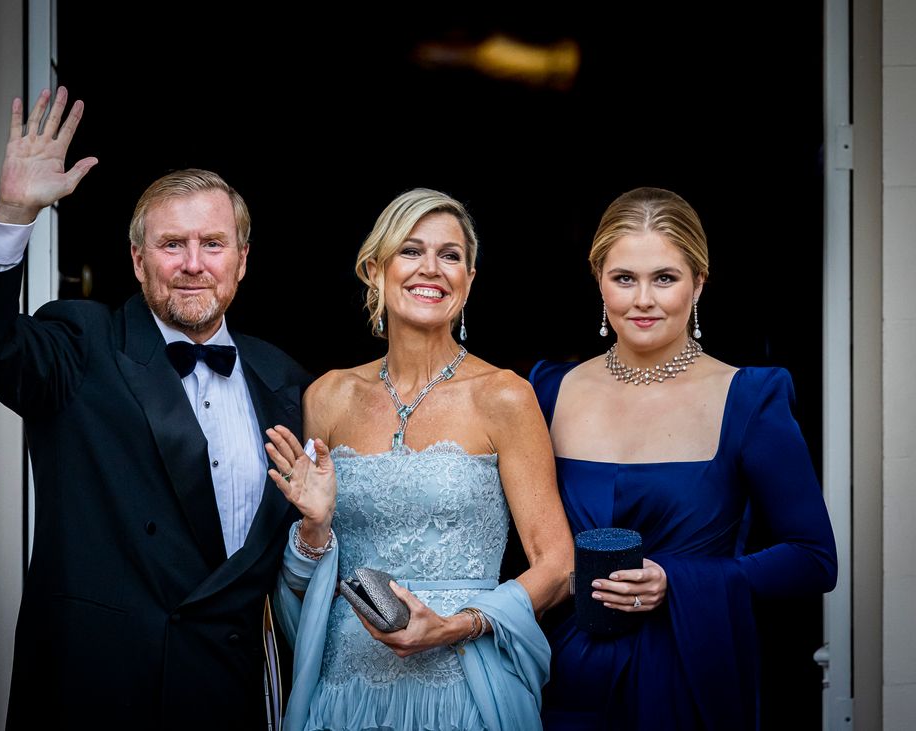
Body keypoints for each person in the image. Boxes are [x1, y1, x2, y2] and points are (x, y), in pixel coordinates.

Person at [0, 87, 311, 728]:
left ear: (243, 262)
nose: (193, 265)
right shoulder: (82, 345)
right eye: (172, 245)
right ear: (138, 261)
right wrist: (15, 211)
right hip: (98, 691)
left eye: (213, 244)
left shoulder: (287, 380)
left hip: (231, 696)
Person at [263, 188, 573, 731]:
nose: (431, 268)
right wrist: (314, 528)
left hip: (464, 691)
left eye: (450, 255)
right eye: (410, 250)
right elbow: (303, 579)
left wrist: (455, 626)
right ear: (374, 269)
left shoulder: (505, 396)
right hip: (345, 693)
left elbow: (558, 564)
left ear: (470, 280)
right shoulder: (328, 397)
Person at [528, 186, 838, 730]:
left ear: (699, 283)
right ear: (599, 280)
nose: (642, 299)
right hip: (560, 676)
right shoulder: (546, 391)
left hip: (688, 674)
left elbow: (813, 559)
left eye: (664, 278)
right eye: (624, 278)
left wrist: (678, 578)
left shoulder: (751, 398)